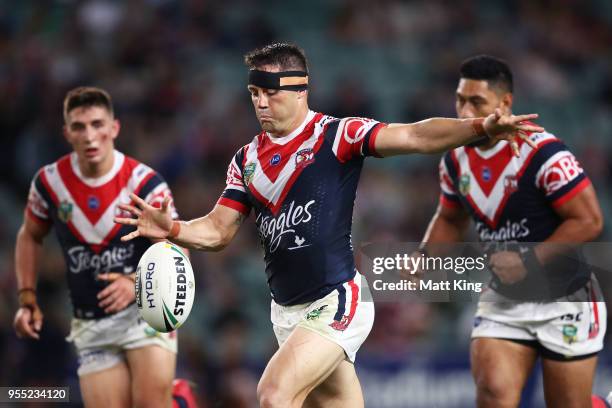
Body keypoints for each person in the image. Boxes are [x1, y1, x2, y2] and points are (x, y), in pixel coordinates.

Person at [115, 43, 542, 408]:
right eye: (253, 93)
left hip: (337, 301)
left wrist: (479, 127)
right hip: (286, 313)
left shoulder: (336, 135)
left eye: (270, 92)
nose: (261, 103)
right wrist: (172, 228)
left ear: (301, 90)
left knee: (273, 394)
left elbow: (414, 136)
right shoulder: (245, 161)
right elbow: (217, 231)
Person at [417, 55, 606, 407]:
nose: (463, 111)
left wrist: (529, 260)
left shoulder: (543, 153)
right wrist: (425, 257)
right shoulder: (454, 159)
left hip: (566, 297)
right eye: (460, 99)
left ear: (505, 104)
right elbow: (450, 218)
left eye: (476, 102)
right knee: (493, 394)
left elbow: (589, 221)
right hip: (504, 297)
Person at [13, 86, 190, 408]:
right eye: (79, 127)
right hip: (91, 321)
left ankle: (174, 398)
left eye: (97, 124)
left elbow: (179, 252)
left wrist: (136, 283)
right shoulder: (49, 183)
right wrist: (27, 296)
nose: (90, 136)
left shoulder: (144, 182)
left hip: (144, 312)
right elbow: (30, 235)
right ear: (67, 133)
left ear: (114, 128)